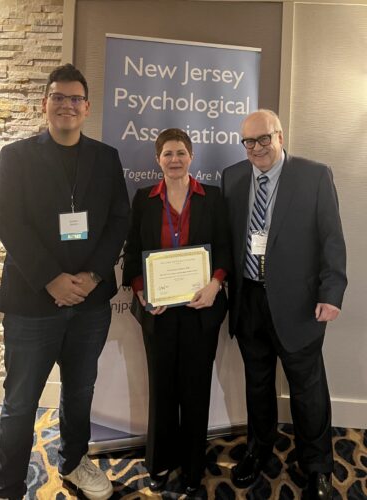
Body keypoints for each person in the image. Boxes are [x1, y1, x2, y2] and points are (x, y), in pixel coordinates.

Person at [0, 64, 130, 500]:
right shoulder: (17, 156)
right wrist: (51, 279)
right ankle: (8, 484)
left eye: (75, 98)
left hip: (89, 302)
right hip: (33, 302)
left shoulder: (106, 158)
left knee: (80, 390)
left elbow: (119, 220)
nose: (67, 105)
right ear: (45, 104)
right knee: (20, 401)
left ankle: (72, 462)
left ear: (87, 108)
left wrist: (90, 276)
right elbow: (7, 221)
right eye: (58, 97)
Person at [221, 109, 347, 499]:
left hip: (299, 305)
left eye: (264, 139)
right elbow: (228, 238)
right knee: (257, 385)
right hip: (250, 301)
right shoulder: (233, 178)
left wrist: (331, 293)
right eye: (249, 142)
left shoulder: (313, 175)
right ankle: (259, 451)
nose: (256, 148)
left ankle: (318, 466)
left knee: (308, 391)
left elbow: (331, 238)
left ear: (280, 136)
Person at [122, 128, 230, 496]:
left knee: (196, 389)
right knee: (162, 389)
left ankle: (193, 464)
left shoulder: (212, 198)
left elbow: (226, 250)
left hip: (202, 310)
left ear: (192, 156)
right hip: (160, 312)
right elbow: (133, 252)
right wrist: (143, 294)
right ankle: (159, 461)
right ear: (157, 159)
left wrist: (215, 284)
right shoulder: (144, 199)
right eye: (167, 153)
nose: (174, 159)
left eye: (181, 152)